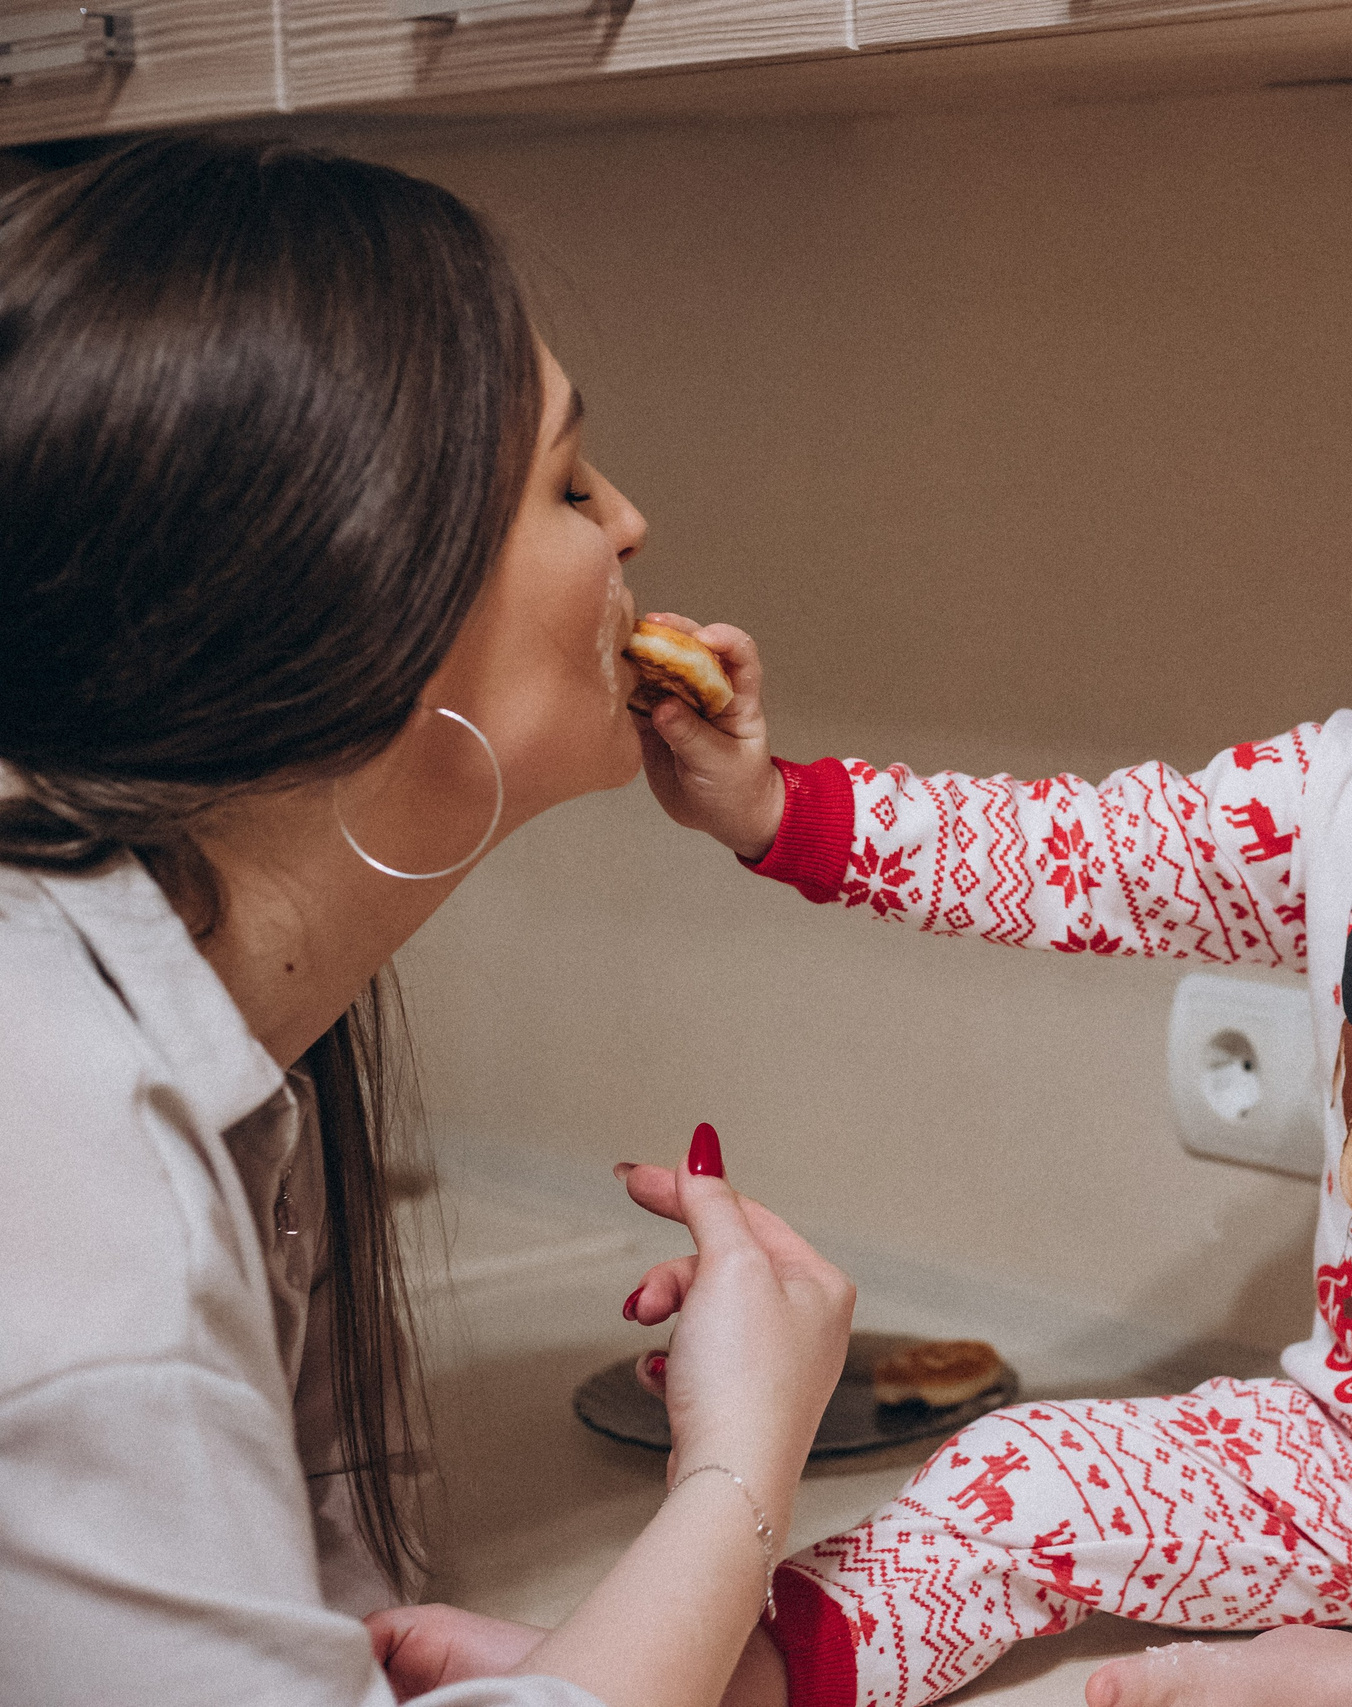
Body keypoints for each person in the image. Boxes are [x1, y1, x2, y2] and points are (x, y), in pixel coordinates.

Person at [477, 211, 1352, 1706]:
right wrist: (783, 812)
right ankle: (697, 1677)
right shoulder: (1337, 796)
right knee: (1028, 1467)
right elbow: (1078, 855)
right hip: (1341, 1458)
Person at [0, 136, 855, 1707]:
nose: (633, 526)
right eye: (568, 483)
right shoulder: (71, 1202)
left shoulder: (186, 1048)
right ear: (359, 591)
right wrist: (738, 1470)